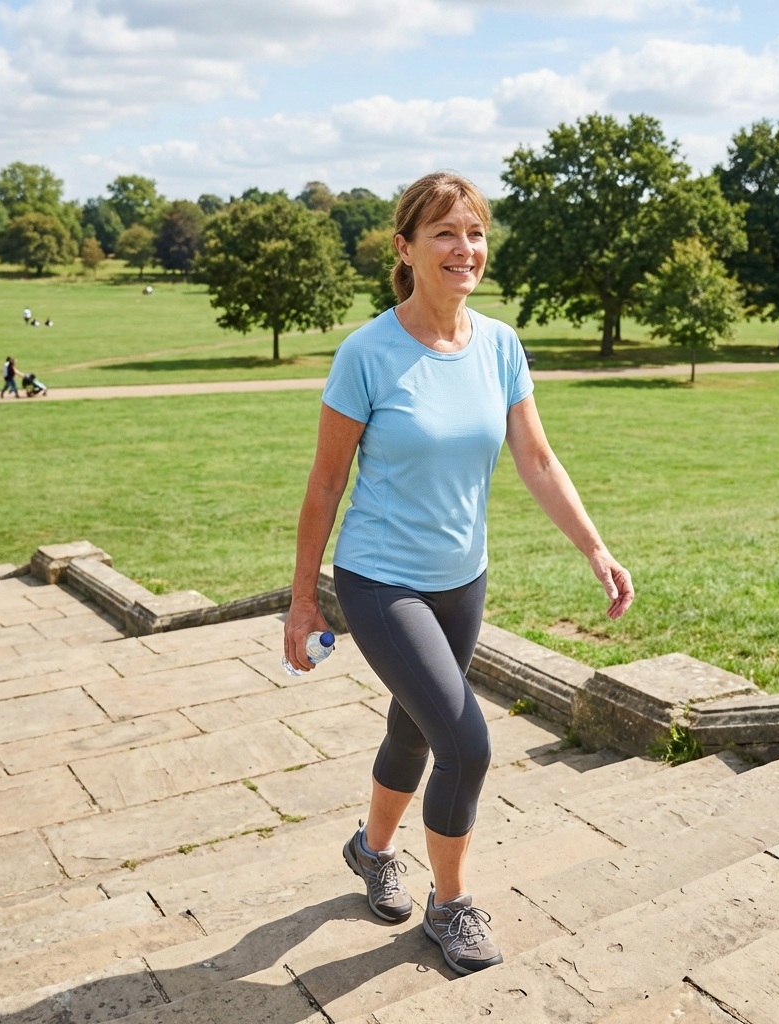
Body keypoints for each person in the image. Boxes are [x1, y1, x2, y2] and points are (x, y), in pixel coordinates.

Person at [284, 171, 634, 977]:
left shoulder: (500, 344)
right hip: (380, 581)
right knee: (466, 743)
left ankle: (371, 850)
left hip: (461, 579)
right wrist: (304, 602)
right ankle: (450, 906)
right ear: (405, 249)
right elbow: (326, 485)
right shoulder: (368, 352)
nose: (464, 249)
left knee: (414, 728)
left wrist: (596, 547)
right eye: (444, 233)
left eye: (474, 233)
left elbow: (538, 461)